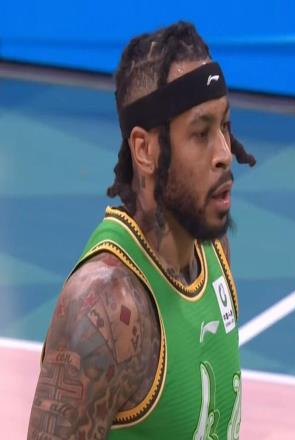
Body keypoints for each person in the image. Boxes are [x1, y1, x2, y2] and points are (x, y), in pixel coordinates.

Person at [27, 21, 255, 440]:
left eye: (225, 126)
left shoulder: (210, 250)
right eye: (201, 133)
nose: (225, 153)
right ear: (145, 150)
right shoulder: (104, 308)